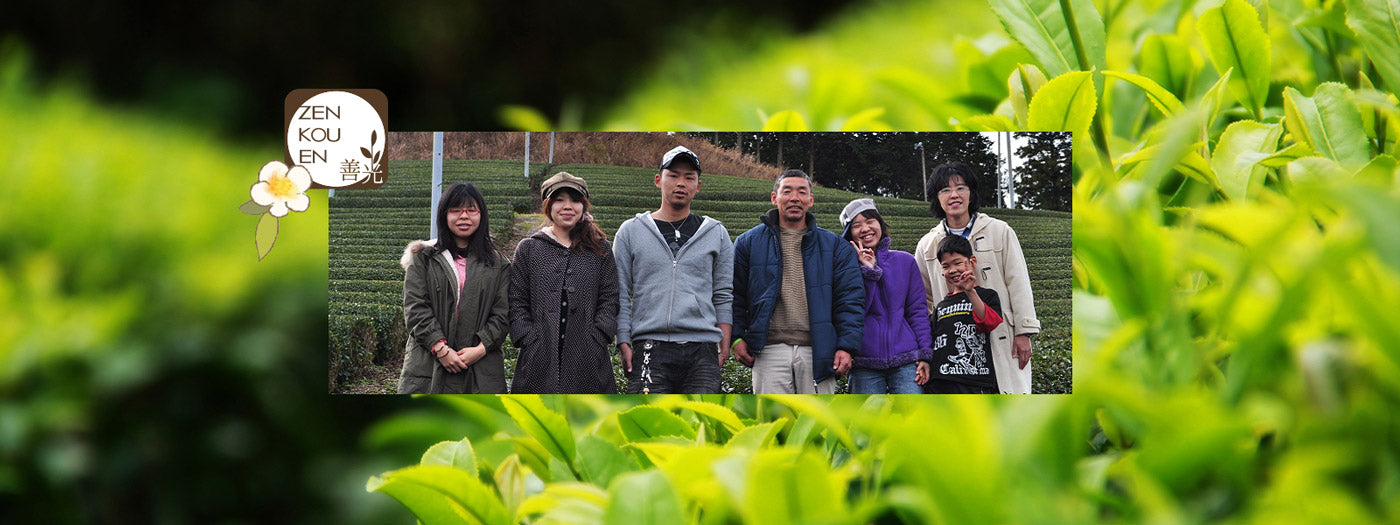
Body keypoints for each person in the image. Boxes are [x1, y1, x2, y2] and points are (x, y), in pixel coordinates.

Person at [613, 146, 734, 394]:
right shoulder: (630, 231)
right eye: (673, 175)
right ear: (658, 180)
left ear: (698, 186)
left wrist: (724, 344)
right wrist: (623, 340)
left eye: (689, 177)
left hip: (702, 350)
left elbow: (723, 293)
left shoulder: (716, 233)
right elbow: (620, 292)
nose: (681, 183)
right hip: (650, 345)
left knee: (701, 416)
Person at [732, 169, 864, 394]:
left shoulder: (835, 247)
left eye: (802, 192)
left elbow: (850, 300)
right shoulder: (748, 242)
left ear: (810, 200)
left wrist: (846, 346)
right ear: (774, 198)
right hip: (768, 351)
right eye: (787, 191)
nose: (794, 198)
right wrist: (735, 338)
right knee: (772, 416)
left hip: (818, 351)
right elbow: (734, 295)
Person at [914, 162, 1040, 394]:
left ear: (971, 193)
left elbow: (1019, 282)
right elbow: (924, 300)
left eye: (960, 188)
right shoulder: (927, 245)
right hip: (954, 344)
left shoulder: (1000, 231)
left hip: (998, 335)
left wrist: (1024, 332)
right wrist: (925, 349)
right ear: (937, 198)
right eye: (945, 190)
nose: (954, 195)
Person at [509, 172, 620, 394]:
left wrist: (598, 336)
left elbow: (610, 297)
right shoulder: (529, 248)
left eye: (575, 200)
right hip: (538, 356)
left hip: (588, 357)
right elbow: (516, 300)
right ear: (548, 206)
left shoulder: (600, 249)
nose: (567, 206)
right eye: (559, 200)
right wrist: (528, 337)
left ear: (583, 206)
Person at [398, 182, 510, 394]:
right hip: (429, 363)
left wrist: (480, 349)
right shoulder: (424, 258)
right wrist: (440, 348)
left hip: (481, 365)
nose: (464, 216)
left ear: (482, 215)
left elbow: (502, 314)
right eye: (456, 210)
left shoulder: (498, 264)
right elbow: (415, 307)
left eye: (471, 210)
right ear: (444, 215)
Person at [838, 198, 932, 394]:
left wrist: (925, 353)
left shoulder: (905, 261)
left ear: (880, 224)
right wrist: (868, 272)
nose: (865, 228)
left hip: (906, 359)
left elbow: (917, 311)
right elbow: (854, 311)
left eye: (870, 221)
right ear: (849, 234)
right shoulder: (846, 268)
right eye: (856, 225)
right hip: (864, 361)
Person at [921, 235, 1004, 394]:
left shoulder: (987, 296)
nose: (952, 270)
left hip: (973, 380)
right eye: (946, 266)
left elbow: (989, 323)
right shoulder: (941, 306)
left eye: (958, 263)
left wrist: (970, 291)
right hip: (940, 381)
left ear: (972, 262)